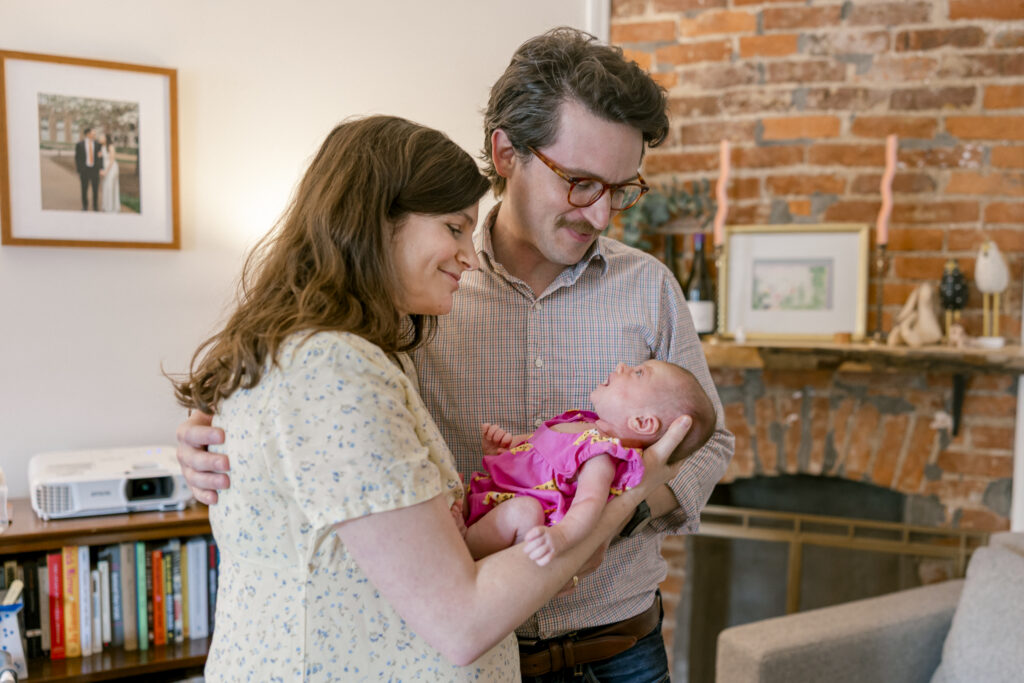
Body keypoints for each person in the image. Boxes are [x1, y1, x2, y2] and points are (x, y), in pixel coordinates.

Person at [177, 28, 735, 682]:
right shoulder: (418, 290)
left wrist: (615, 510)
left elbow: (711, 440)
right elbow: (326, 419)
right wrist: (212, 442)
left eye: (622, 188)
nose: (604, 214)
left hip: (617, 647)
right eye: (581, 183)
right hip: (455, 647)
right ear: (506, 152)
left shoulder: (648, 287)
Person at [464, 361, 717, 568]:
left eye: (639, 373)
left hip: (508, 523)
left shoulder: (600, 456)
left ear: (642, 422)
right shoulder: (584, 422)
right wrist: (502, 450)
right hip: (488, 497)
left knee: (524, 512)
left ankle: (464, 543)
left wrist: (562, 537)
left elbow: (588, 506)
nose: (622, 366)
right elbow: (538, 451)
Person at [74, 127, 101, 211]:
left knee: (95, 189)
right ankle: (85, 206)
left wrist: (100, 168)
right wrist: (79, 170)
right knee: (84, 189)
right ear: (88, 134)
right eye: (93, 133)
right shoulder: (79, 144)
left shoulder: (97, 144)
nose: (94, 135)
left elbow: (100, 158)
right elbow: (77, 158)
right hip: (84, 170)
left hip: (95, 170)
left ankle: (95, 206)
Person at [99, 133, 120, 213]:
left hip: (111, 169)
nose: (100, 138)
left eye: (101, 137)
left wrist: (105, 171)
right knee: (106, 186)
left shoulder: (111, 147)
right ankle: (106, 206)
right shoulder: (102, 147)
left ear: (106, 138)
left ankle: (111, 208)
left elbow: (111, 160)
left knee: (110, 186)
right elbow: (101, 156)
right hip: (105, 168)